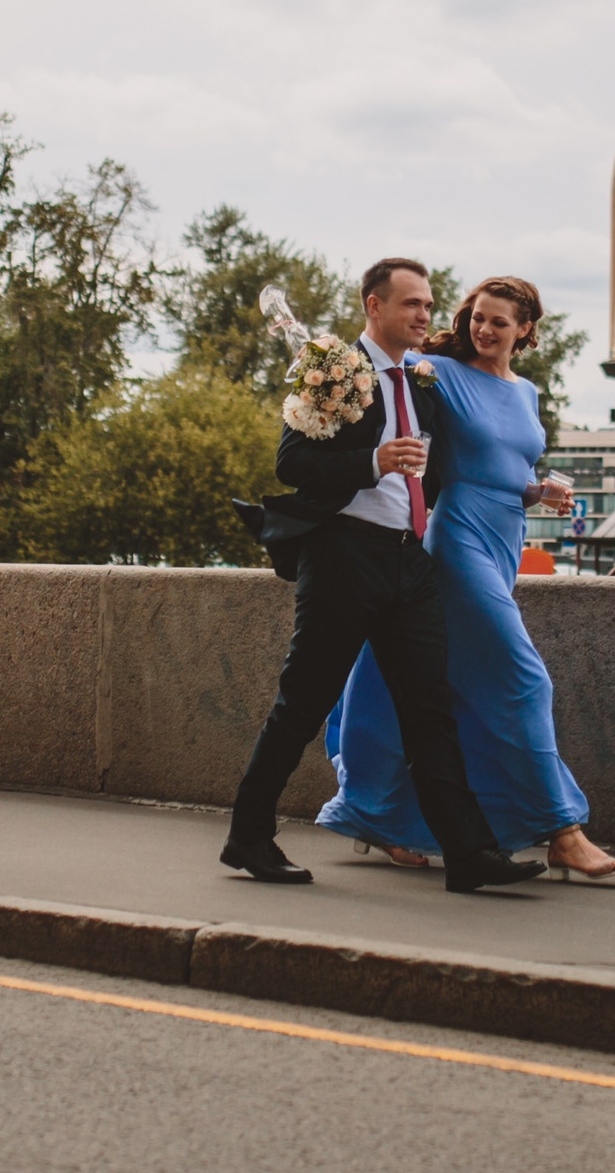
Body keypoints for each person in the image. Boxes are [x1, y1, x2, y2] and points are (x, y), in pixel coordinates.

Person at [222, 258, 547, 896]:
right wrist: (374, 459)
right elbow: (292, 463)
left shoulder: (425, 380)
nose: (426, 315)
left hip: (410, 559)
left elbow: (471, 460)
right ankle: (249, 835)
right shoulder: (334, 369)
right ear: (374, 307)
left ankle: (469, 854)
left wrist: (534, 491)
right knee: (303, 702)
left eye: (428, 305)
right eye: (411, 305)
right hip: (345, 557)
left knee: (431, 711)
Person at [317, 276, 615, 881]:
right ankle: (562, 830)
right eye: (478, 318)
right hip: (458, 538)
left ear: (525, 331)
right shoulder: (439, 371)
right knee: (523, 681)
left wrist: (541, 490)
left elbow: (508, 467)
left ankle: (378, 813)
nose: (484, 330)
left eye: (499, 323)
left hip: (504, 538)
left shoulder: (527, 391)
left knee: (429, 685)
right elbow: (376, 363)